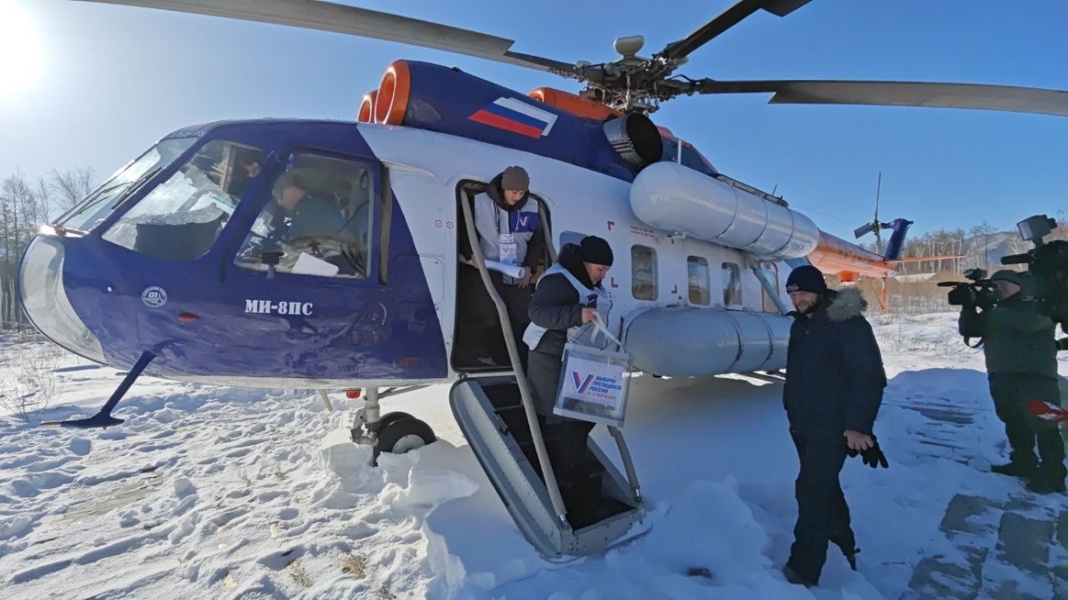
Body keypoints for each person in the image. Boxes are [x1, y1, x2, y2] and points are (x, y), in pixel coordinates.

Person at [780, 265, 887, 587]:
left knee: (810, 490)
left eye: (803, 293)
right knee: (824, 487)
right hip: (803, 425)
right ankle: (844, 543)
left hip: (833, 426)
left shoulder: (847, 324)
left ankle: (803, 570)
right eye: (793, 294)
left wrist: (858, 426)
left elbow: (868, 376)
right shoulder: (802, 325)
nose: (798, 299)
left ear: (820, 291)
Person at [523, 236, 614, 517]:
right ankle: (570, 489)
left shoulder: (588, 280)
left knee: (580, 420)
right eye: (600, 269)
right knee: (565, 421)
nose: (602, 276)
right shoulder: (558, 280)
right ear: (585, 263)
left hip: (575, 359)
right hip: (549, 359)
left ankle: (573, 477)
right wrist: (577, 314)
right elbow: (537, 312)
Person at [958, 269, 1065, 494]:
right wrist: (968, 306)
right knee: (1014, 421)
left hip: (1036, 378)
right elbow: (970, 329)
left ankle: (1054, 474)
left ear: (1020, 286)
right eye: (995, 285)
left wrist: (986, 307)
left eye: (1003, 284)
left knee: (1045, 426)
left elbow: (1026, 324)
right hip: (1002, 375)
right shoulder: (999, 310)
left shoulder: (1038, 306)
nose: (998, 289)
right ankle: (1023, 462)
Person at [458, 166, 547, 367]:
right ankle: (478, 356)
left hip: (518, 273)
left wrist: (530, 267)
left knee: (520, 316)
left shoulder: (532, 207)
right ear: (504, 188)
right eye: (513, 192)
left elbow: (537, 240)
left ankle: (519, 361)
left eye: (521, 193)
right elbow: (463, 229)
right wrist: (469, 253)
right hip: (487, 269)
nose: (517, 197)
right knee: (484, 313)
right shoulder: (479, 203)